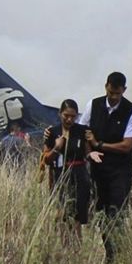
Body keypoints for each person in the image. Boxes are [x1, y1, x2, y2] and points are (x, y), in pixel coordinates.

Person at [78, 72, 132, 263]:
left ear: (124, 91)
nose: (113, 97)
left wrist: (99, 145)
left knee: (116, 211)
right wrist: (90, 152)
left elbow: (126, 145)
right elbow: (84, 131)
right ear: (106, 86)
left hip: (120, 171)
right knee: (101, 211)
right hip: (98, 170)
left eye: (118, 94)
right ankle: (109, 253)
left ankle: (116, 255)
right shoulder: (93, 105)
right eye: (111, 92)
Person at [43, 99, 103, 236]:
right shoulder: (52, 132)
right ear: (60, 114)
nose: (69, 119)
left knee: (76, 215)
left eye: (73, 116)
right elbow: (45, 159)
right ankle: (64, 248)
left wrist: (91, 154)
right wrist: (57, 148)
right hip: (60, 175)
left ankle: (76, 249)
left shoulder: (82, 131)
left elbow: (87, 152)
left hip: (79, 176)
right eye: (66, 115)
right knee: (62, 214)